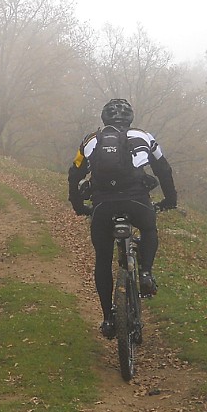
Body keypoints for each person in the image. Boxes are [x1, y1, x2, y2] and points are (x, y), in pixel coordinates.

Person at [68, 98, 177, 339]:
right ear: (130, 119)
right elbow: (163, 170)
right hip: (136, 201)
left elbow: (74, 173)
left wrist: (78, 205)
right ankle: (146, 273)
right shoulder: (144, 137)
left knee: (103, 259)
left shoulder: (90, 140)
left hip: (102, 206)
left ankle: (108, 318)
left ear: (104, 119)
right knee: (149, 230)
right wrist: (170, 200)